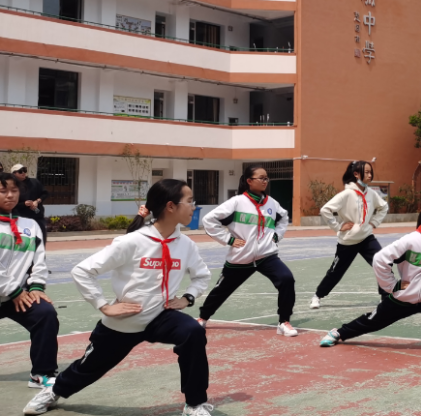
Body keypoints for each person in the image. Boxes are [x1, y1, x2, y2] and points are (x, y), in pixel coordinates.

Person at [24, 179, 213, 415]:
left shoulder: (185, 244)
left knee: (193, 332)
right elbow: (82, 271)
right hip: (125, 320)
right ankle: (54, 391)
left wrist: (188, 298)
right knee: (88, 367)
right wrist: (103, 306)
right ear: (170, 206)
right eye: (189, 201)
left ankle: (194, 404)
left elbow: (202, 276)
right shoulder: (132, 242)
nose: (193, 206)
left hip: (161, 316)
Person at [319, 199, 421, 354]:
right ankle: (338, 333)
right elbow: (380, 260)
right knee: (372, 321)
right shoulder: (411, 240)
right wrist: (392, 286)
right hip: (404, 298)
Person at [199, 165, 298, 336]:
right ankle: (202, 318)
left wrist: (277, 236)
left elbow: (284, 218)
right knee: (221, 290)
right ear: (249, 181)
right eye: (261, 178)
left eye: (266, 178)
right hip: (240, 258)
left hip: (266, 256)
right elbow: (209, 220)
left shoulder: (272, 204)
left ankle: (284, 322)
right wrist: (228, 239)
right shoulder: (237, 202)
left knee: (286, 279)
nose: (265, 181)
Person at [0, 172, 59, 390]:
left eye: (14, 191)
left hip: (18, 297)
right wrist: (14, 291)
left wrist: (36, 287)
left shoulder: (30, 225)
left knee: (45, 314)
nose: (10, 196)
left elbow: (39, 260)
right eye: (3, 191)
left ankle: (41, 374)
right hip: (14, 294)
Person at [310, 160, 388, 309]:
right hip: (348, 241)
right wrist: (338, 227)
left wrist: (374, 223)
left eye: (371, 172)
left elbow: (383, 207)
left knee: (382, 263)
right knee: (335, 272)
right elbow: (325, 210)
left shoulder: (371, 194)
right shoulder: (346, 194)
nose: (370, 175)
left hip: (366, 238)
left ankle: (385, 296)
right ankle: (318, 296)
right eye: (366, 172)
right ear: (356, 174)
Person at [12, 164, 48, 242]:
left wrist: (37, 201)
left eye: (24, 170)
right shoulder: (13, 186)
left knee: (40, 241)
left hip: (37, 217)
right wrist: (24, 204)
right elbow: (12, 204)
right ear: (14, 173)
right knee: (25, 243)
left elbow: (45, 193)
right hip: (21, 219)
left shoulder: (34, 182)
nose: (23, 173)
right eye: (20, 171)